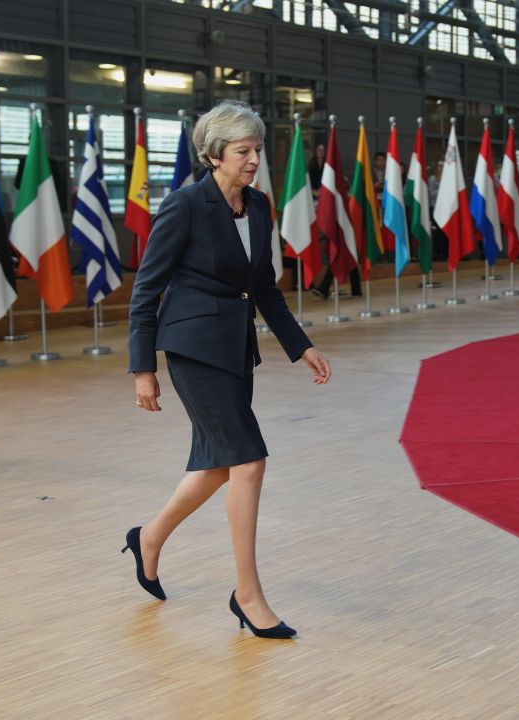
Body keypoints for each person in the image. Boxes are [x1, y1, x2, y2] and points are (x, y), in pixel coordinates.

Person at [126, 100, 331, 639]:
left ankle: (148, 537)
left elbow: (262, 285)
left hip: (235, 349)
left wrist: (300, 345)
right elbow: (146, 290)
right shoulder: (185, 205)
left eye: (257, 150)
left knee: (219, 466)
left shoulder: (258, 206)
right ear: (215, 154)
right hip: (193, 349)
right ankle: (248, 594)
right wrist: (142, 370)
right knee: (249, 461)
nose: (253, 160)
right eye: (243, 151)